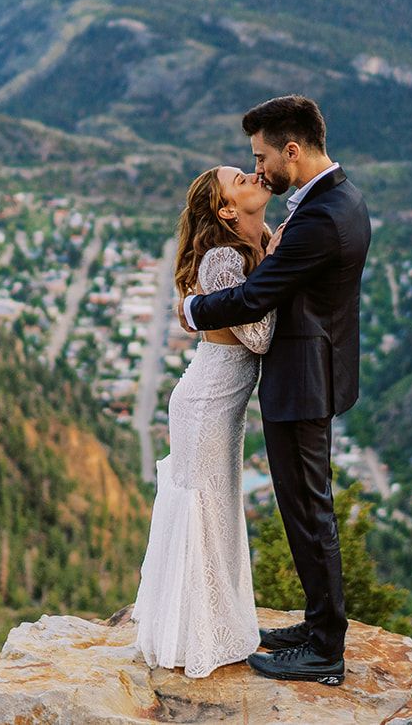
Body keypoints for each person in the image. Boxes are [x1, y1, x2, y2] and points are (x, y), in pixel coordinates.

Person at [181, 95, 371, 686]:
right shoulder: (335, 199)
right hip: (313, 372)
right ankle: (318, 628)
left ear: (293, 150)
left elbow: (256, 297)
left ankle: (325, 648)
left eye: (261, 156)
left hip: (303, 380)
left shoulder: (318, 217)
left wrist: (193, 308)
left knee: (309, 512)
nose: (258, 167)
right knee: (302, 508)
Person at [132, 163, 276, 678]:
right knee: (204, 513)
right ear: (226, 210)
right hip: (205, 405)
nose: (254, 178)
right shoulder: (221, 260)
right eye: (241, 180)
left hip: (218, 404)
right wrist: (277, 269)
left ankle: (213, 626)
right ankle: (194, 636)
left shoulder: (248, 252)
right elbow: (257, 339)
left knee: (215, 512)